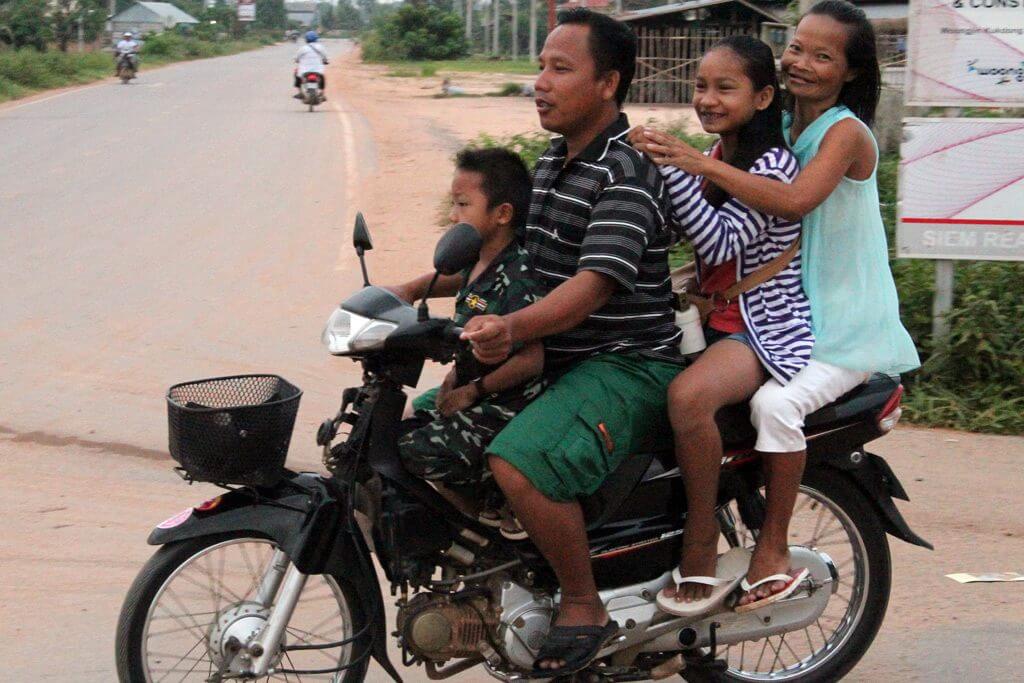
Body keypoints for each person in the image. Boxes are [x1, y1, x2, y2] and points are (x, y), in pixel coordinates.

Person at [634, 0, 920, 612]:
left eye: (823, 56)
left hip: (844, 321)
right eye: (796, 48)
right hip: (789, 306)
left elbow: (791, 203)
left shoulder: (845, 133)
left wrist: (684, 158)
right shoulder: (784, 126)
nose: (802, 63)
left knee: (776, 404)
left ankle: (771, 549)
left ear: (849, 72)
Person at [461, 8, 683, 677]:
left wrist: (511, 328)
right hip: (563, 355)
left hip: (626, 363)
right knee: (429, 425)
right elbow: (514, 253)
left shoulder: (625, 171)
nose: (541, 82)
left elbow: (589, 290)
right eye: (539, 67)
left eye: (561, 69)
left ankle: (583, 603)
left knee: (517, 461)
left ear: (608, 83)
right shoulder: (554, 161)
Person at [628, 35, 812, 617]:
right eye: (702, 86)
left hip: (763, 325)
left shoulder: (774, 165)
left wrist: (682, 164)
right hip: (711, 313)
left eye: (724, 88)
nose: (708, 98)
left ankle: (700, 536)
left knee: (687, 399)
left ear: (762, 97)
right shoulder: (715, 152)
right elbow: (682, 229)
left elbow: (721, 240)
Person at [389, 148, 545, 539]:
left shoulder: (519, 272)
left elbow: (533, 358)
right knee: (399, 422)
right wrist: (407, 290)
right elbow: (460, 281)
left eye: (463, 204)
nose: (454, 216)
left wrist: (474, 391)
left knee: (417, 451)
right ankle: (477, 512)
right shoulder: (478, 258)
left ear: (502, 214)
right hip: (475, 387)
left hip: (511, 400)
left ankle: (482, 524)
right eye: (452, 204)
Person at [293, 31, 328, 99]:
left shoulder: (303, 48)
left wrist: (296, 60)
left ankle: (300, 92)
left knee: (296, 74)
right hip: (318, 70)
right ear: (316, 39)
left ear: (306, 39)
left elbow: (296, 58)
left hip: (304, 70)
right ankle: (322, 93)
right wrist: (325, 61)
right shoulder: (320, 47)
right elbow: (325, 57)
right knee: (322, 77)